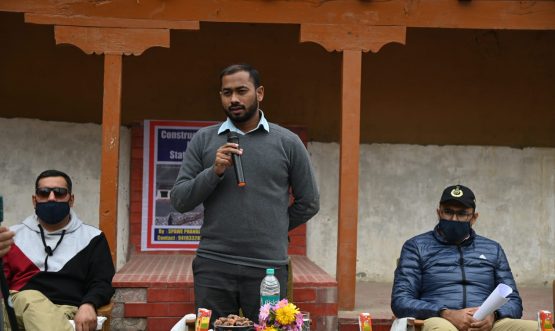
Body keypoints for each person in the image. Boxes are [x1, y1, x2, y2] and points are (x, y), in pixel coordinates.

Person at [170, 63, 320, 325]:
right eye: (227, 93)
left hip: (268, 268)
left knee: (269, 329)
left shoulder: (287, 142)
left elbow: (309, 202)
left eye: (242, 91)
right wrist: (213, 172)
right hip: (213, 264)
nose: (234, 99)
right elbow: (180, 200)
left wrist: (273, 226)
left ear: (259, 93)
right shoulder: (204, 140)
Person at [391, 184, 536, 331]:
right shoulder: (416, 246)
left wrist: (494, 315)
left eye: (462, 213)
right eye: (448, 212)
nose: (454, 219)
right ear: (438, 213)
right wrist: (445, 313)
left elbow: (514, 301)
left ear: (474, 218)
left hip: (488, 324)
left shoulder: (493, 249)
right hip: (439, 320)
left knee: (536, 328)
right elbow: (401, 300)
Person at [1, 169, 115, 331]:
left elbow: (102, 282)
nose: (52, 198)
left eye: (60, 193)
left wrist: (89, 304)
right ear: (35, 200)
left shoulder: (93, 237)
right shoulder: (11, 237)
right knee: (30, 297)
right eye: (44, 193)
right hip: (17, 310)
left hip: (68, 312)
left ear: (71, 199)